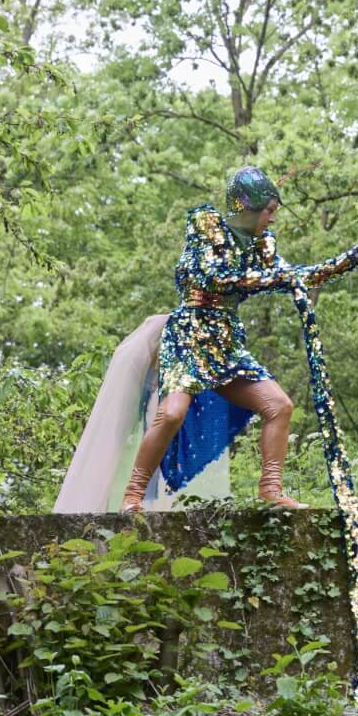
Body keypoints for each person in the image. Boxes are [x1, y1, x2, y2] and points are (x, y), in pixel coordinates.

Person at [117, 166, 311, 512]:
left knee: (279, 406)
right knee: (173, 412)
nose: (272, 220)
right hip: (190, 335)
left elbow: (285, 274)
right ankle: (132, 495)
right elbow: (214, 276)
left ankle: (271, 490)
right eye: (269, 211)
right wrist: (263, 279)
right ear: (249, 207)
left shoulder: (260, 246)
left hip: (226, 341)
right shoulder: (206, 228)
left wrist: (344, 263)